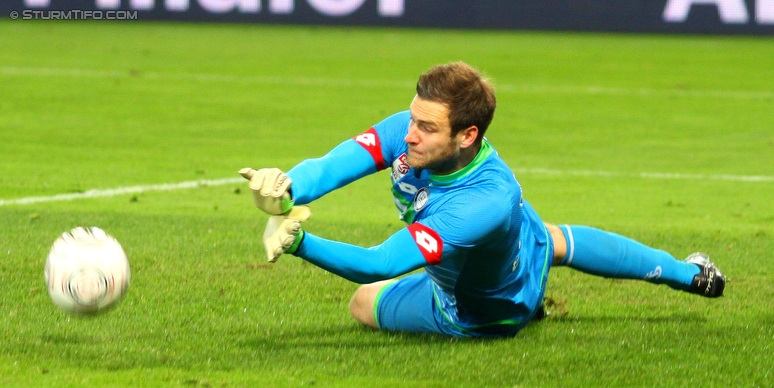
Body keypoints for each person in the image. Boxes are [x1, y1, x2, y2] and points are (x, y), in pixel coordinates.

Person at [240, 61, 725, 338]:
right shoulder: (415, 133)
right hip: (517, 238)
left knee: (362, 303)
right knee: (550, 239)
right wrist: (287, 185)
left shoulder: (482, 202)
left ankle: (529, 302)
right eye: (412, 120)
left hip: (483, 308)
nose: (408, 136)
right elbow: (333, 164)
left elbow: (380, 264)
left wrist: (300, 241)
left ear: (467, 134)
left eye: (426, 128)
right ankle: (692, 273)